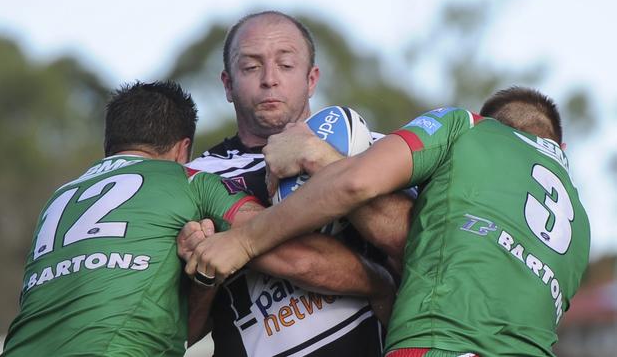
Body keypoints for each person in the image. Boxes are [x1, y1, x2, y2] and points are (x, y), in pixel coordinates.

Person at [186, 87, 591, 356]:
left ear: (492, 123)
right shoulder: (582, 227)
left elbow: (357, 182)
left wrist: (244, 241)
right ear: (560, 146)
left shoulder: (470, 129)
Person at [184, 10, 413, 357]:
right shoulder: (197, 178)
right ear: (228, 85)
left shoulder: (372, 148)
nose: (269, 79)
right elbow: (182, 329)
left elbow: (416, 243)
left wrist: (320, 160)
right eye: (250, 67)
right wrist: (204, 275)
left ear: (311, 79)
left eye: (286, 65)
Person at [2, 81, 265, 356]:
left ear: (110, 143)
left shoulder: (57, 199)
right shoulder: (188, 181)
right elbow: (264, 228)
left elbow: (168, 328)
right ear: (182, 150)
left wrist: (204, 283)